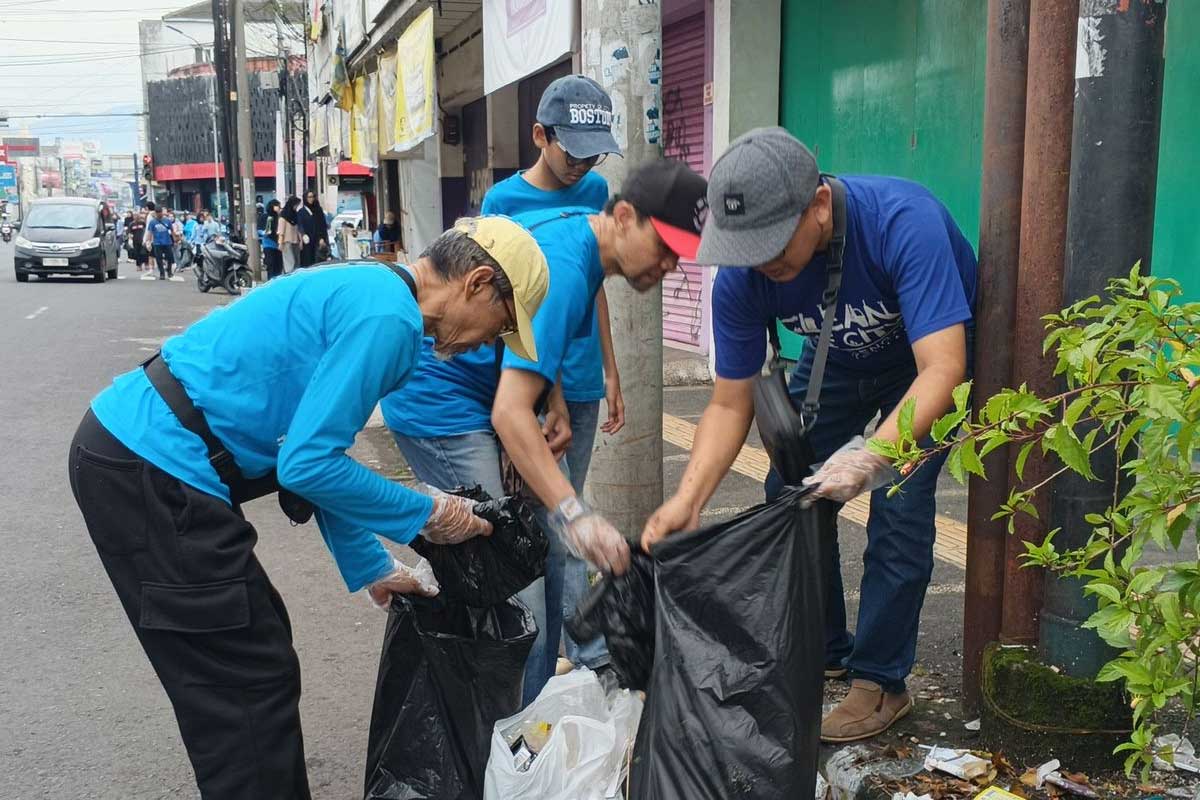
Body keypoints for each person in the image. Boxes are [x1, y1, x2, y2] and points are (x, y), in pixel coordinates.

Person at [69, 216, 549, 799]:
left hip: (143, 457)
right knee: (244, 686)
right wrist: (429, 512)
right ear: (476, 282)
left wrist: (374, 566)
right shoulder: (390, 319)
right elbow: (308, 466)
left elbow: (320, 452)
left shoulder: (376, 290)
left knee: (252, 658)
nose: (485, 345)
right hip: (153, 465)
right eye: (499, 327)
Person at [641, 127, 978, 743]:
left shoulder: (906, 221)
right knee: (791, 491)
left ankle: (881, 681)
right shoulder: (744, 271)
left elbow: (944, 368)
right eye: (748, 249)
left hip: (924, 361)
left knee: (898, 505)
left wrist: (874, 455)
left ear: (819, 204)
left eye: (774, 245)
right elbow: (727, 402)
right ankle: (823, 645)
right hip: (840, 363)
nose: (762, 262)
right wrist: (686, 500)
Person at [383, 158, 707, 704]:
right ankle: (512, 740)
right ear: (624, 216)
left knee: (548, 557)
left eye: (682, 255)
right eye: (665, 245)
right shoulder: (567, 266)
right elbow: (509, 414)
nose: (671, 265)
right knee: (517, 582)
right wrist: (575, 513)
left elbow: (532, 338)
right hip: (438, 399)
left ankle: (535, 717)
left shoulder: (585, 238)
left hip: (481, 393)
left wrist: (551, 397)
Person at [479, 73, 624, 679]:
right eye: (571, 148)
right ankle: (576, 659)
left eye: (593, 150)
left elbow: (595, 287)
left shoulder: (597, 190)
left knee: (566, 519)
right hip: (529, 386)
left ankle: (576, 655)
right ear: (539, 135)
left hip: (583, 380)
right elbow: (501, 312)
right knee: (561, 520)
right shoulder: (502, 204)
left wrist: (613, 372)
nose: (582, 162)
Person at [297, 191, 328, 267]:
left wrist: (322, 238)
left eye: (312, 197)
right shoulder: (301, 212)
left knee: (318, 261)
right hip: (307, 241)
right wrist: (303, 234)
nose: (311, 199)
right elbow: (300, 225)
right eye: (309, 197)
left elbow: (322, 225)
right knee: (307, 261)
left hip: (318, 239)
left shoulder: (318, 210)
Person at [148, 207, 175, 280]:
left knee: (169, 258)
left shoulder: (167, 221)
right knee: (158, 258)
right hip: (157, 243)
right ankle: (162, 273)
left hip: (167, 242)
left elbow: (172, 230)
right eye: (158, 212)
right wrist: (149, 242)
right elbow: (150, 232)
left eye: (160, 212)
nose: (159, 214)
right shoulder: (152, 222)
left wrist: (174, 240)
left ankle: (169, 272)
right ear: (156, 213)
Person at [262, 200, 284, 280]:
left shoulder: (279, 217)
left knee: (278, 265)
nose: (279, 208)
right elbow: (259, 229)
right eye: (277, 206)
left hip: (278, 245)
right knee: (271, 265)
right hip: (268, 244)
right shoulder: (265, 216)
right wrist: (264, 232)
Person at [279, 196, 302, 271]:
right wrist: (280, 243)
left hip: (295, 241)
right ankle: (290, 276)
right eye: (296, 205)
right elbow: (281, 231)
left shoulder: (295, 215)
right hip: (286, 242)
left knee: (296, 261)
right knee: (289, 262)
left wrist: (300, 241)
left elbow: (298, 229)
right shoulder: (283, 216)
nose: (296, 207)